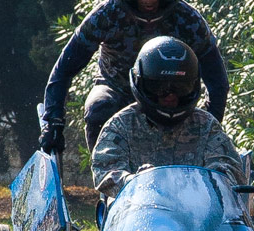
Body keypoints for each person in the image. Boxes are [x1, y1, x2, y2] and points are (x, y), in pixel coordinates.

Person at [39, 0, 229, 155]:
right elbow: (64, 70)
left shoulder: (189, 21)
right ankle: (105, 173)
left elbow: (217, 81)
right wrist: (53, 122)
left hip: (170, 97)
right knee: (98, 107)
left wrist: (211, 125)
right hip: (117, 89)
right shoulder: (106, 15)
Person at [92, 36, 242, 198]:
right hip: (138, 208)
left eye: (180, 87)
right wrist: (134, 181)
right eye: (159, 87)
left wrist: (211, 180)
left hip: (196, 209)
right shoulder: (121, 124)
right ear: (141, 83)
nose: (170, 95)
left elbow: (229, 168)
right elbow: (105, 170)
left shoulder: (206, 124)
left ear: (193, 85)